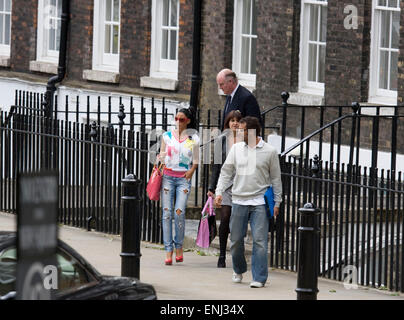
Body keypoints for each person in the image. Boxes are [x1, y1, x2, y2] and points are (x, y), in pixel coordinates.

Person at [214, 116, 282, 288]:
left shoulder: (270, 151)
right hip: (238, 199)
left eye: (242, 130)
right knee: (236, 240)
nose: (238, 132)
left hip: (260, 201)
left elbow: (276, 179)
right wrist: (219, 192)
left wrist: (277, 203)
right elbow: (226, 172)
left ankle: (259, 277)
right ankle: (239, 269)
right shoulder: (236, 148)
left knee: (260, 241)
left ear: (252, 131)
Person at [159, 108, 199, 266]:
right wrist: (161, 159)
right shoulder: (167, 136)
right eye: (176, 118)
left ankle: (179, 246)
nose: (178, 121)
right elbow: (162, 153)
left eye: (181, 119)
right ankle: (168, 250)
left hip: (183, 178)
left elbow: (196, 159)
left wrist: (191, 171)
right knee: (167, 214)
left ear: (188, 121)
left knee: (179, 212)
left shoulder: (193, 138)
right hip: (168, 177)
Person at [207, 110, 243, 268]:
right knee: (226, 217)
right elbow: (216, 166)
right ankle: (222, 254)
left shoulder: (247, 140)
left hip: (242, 185)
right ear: (227, 123)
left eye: (237, 120)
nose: (234, 123)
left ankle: (237, 253)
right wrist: (212, 187)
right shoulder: (222, 139)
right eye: (231, 120)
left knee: (237, 221)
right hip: (226, 184)